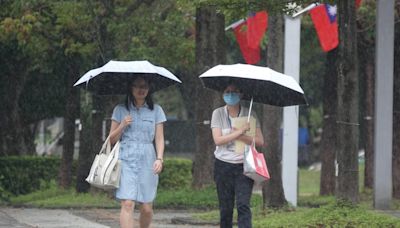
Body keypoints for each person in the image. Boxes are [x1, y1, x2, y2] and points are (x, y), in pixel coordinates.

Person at [109, 76, 166, 228]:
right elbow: (110, 140)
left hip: (148, 159)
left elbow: (159, 138)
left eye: (145, 86)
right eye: (138, 86)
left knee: (146, 208)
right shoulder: (120, 109)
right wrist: (122, 125)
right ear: (131, 88)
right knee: (127, 203)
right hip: (126, 159)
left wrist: (159, 159)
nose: (141, 89)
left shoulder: (156, 110)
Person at [210, 83, 264, 228]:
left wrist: (242, 136)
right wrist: (240, 132)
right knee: (226, 208)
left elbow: (260, 141)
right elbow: (218, 140)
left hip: (244, 166)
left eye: (234, 92)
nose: (230, 94)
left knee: (243, 205)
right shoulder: (218, 113)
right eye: (227, 91)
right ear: (223, 94)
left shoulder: (250, 114)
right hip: (223, 165)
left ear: (241, 94)